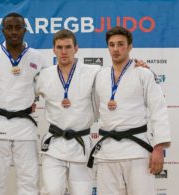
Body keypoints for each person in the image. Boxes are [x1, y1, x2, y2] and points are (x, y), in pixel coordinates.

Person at [90, 26, 171, 195]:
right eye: (111, 45)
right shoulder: (100, 76)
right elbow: (95, 110)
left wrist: (159, 148)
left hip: (137, 151)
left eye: (121, 44)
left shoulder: (144, 74)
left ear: (130, 46)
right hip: (107, 152)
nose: (116, 49)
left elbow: (158, 111)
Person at [0, 12, 49, 195]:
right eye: (9, 27)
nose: (14, 32)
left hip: (24, 123)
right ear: (2, 30)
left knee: (29, 178)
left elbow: (47, 85)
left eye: (18, 27)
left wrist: (28, 99)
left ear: (25, 30)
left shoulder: (37, 57)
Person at [35, 29, 100, 195]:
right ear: (54, 49)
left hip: (81, 145)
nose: (64, 52)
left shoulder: (93, 72)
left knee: (82, 193)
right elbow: (23, 92)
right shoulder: (44, 75)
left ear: (76, 48)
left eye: (68, 47)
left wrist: (137, 66)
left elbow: (117, 76)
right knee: (52, 190)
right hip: (54, 145)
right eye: (60, 47)